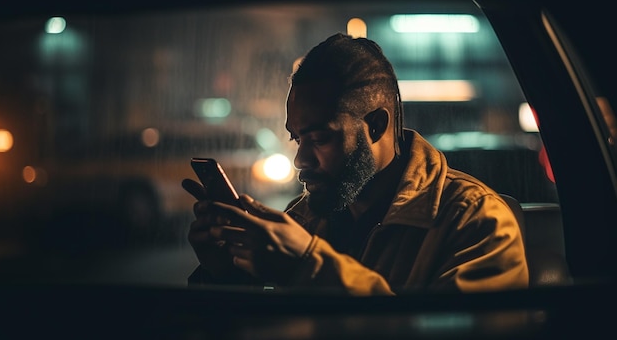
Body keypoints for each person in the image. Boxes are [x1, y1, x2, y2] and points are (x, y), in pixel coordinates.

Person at [182, 33, 529, 295]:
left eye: (319, 139)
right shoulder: (303, 219)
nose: (300, 159)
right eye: (296, 139)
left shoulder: (477, 221)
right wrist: (223, 275)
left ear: (376, 126)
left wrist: (308, 266)